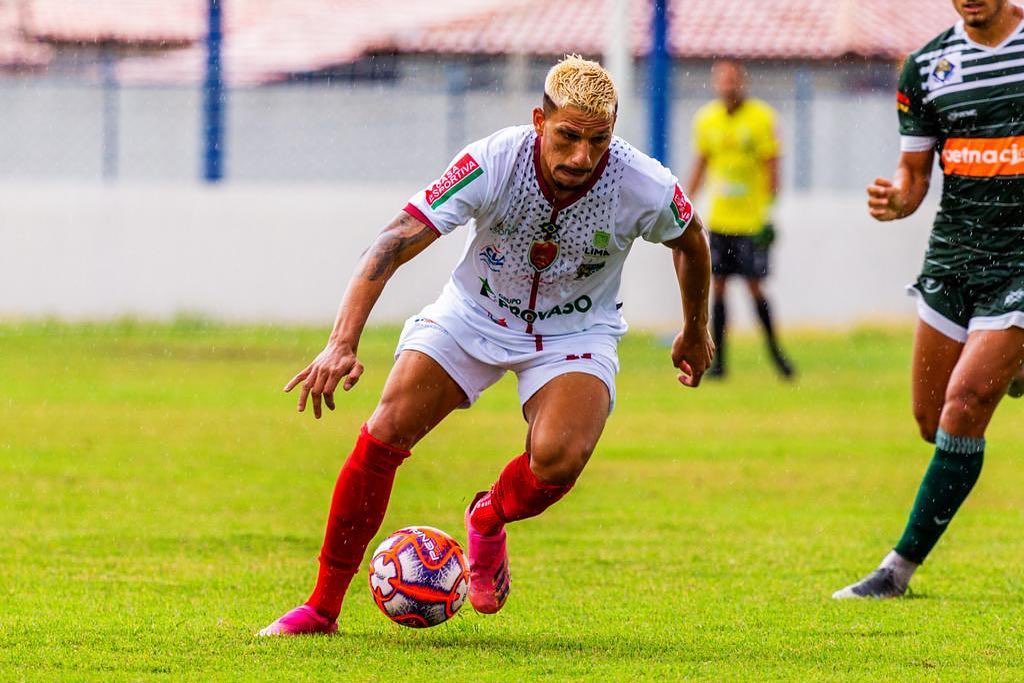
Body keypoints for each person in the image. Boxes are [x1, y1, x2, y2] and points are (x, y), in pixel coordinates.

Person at [258, 55, 715, 635]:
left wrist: (695, 328)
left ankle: (488, 514)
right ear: (539, 122)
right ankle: (321, 609)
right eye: (568, 137)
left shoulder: (642, 182)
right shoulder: (493, 160)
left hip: (576, 332)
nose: (581, 156)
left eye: (597, 141)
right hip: (474, 313)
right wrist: (340, 342)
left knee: (558, 460)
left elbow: (692, 240)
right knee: (386, 427)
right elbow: (395, 240)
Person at [833, 0, 1024, 600]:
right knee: (931, 419)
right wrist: (898, 198)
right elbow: (914, 175)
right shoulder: (926, 67)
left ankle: (896, 571)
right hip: (954, 258)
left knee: (964, 405)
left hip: (1019, 259)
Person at [686, 59, 794, 380]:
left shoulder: (761, 118)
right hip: (719, 221)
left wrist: (769, 211)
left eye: (733, 80)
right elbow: (702, 163)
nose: (728, 86)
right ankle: (719, 363)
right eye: (722, 80)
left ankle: (777, 356)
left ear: (742, 82)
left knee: (755, 287)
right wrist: (685, 204)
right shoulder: (706, 120)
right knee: (715, 289)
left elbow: (771, 164)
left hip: (750, 221)